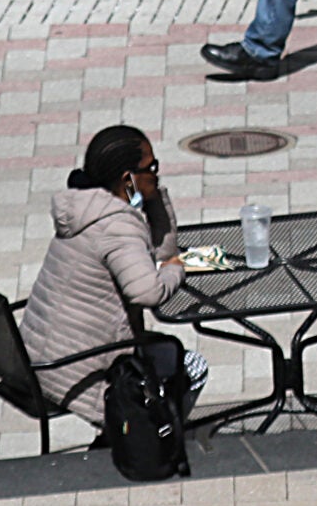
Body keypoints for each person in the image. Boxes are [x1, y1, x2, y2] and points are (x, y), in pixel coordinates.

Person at [19, 125, 209, 427]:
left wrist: (151, 199)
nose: (157, 174)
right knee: (192, 366)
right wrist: (177, 267)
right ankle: (148, 442)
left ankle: (133, 437)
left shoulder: (87, 207)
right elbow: (148, 292)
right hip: (79, 370)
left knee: (160, 349)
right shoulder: (117, 226)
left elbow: (159, 251)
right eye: (152, 168)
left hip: (40, 357)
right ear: (127, 178)